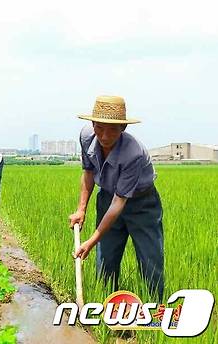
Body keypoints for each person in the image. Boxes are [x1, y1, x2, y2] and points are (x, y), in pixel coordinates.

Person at [69, 95, 164, 302]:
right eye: (100, 127)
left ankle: (154, 311)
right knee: (106, 259)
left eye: (113, 129)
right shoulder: (86, 137)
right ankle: (106, 307)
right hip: (107, 197)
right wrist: (81, 209)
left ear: (123, 129)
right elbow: (88, 172)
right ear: (92, 124)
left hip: (142, 204)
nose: (104, 135)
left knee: (150, 260)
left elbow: (119, 202)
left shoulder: (133, 153)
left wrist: (92, 240)